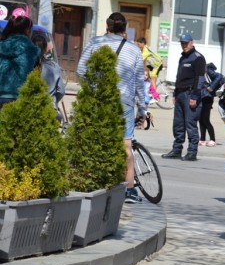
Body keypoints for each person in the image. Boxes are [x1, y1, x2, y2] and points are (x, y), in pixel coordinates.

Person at [77, 12, 146, 203]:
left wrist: (92, 90)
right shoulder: (134, 50)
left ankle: (92, 184)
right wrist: (142, 109)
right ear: (125, 29)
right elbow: (140, 82)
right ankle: (130, 190)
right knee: (126, 145)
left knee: (95, 141)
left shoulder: (95, 43)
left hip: (99, 99)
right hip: (124, 101)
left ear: (107, 26)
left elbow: (81, 70)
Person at [161, 33, 206, 161]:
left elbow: (200, 79)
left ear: (192, 43)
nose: (184, 45)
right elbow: (178, 77)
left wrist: (195, 96)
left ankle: (192, 152)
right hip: (180, 94)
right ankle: (177, 150)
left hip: (190, 94)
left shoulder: (198, 58)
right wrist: (175, 93)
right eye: (182, 43)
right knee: (178, 124)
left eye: (186, 43)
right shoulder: (183, 58)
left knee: (191, 125)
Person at [0, 16, 40, 110]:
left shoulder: (2, 44)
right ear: (27, 30)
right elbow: (32, 74)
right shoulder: (31, 49)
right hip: (17, 96)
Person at [32, 34, 65, 121]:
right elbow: (61, 90)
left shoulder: (27, 66)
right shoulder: (54, 66)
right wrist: (54, 101)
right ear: (45, 48)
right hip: (50, 109)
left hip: (30, 109)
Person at [198, 62, 224, 147]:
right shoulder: (199, 70)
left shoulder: (207, 69)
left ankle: (212, 139)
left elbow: (219, 76)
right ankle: (202, 139)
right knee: (201, 119)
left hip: (207, 97)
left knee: (205, 119)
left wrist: (211, 87)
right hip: (201, 96)